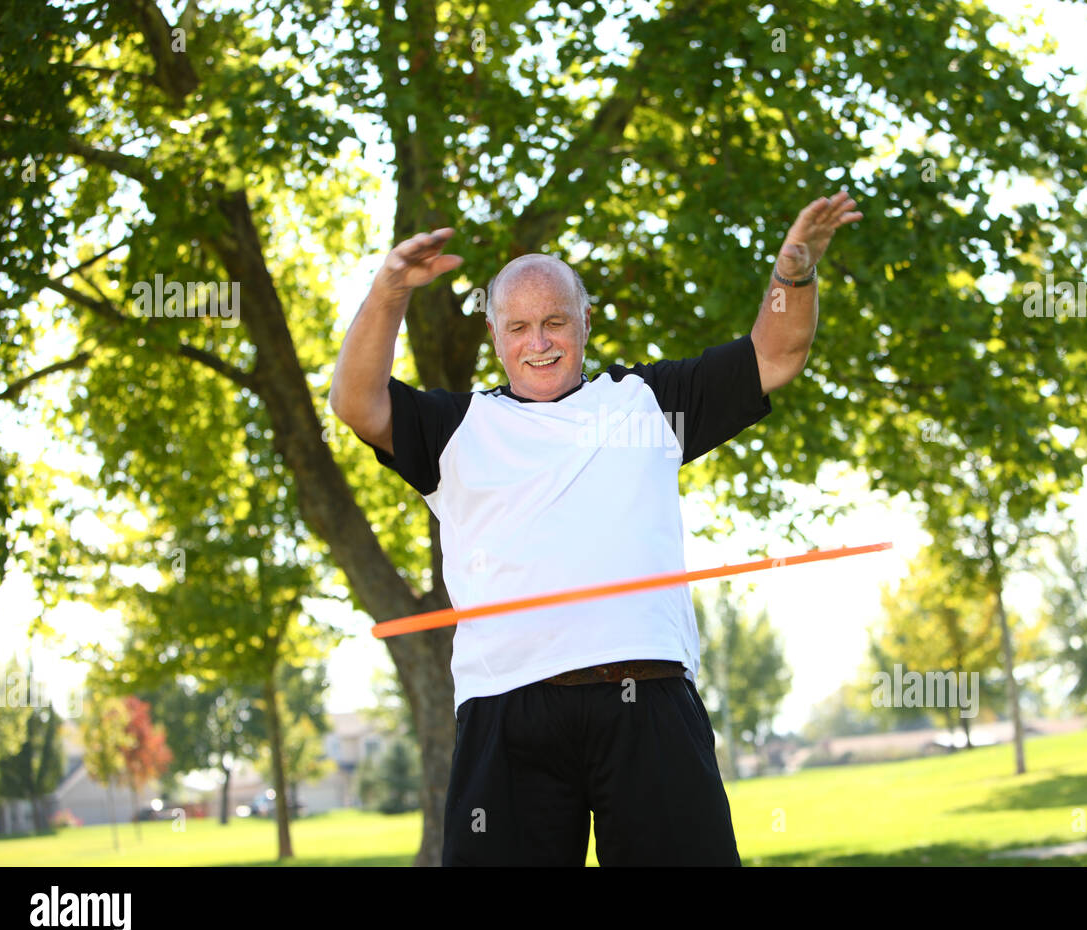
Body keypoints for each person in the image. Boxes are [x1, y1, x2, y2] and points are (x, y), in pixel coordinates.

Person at [330, 191, 863, 865]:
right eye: (519, 327)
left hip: (649, 706)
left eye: (554, 320)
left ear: (585, 320)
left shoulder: (647, 403)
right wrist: (388, 292)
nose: (539, 342)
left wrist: (795, 269)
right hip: (507, 716)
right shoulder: (453, 428)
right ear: (495, 337)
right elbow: (354, 400)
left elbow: (776, 356)